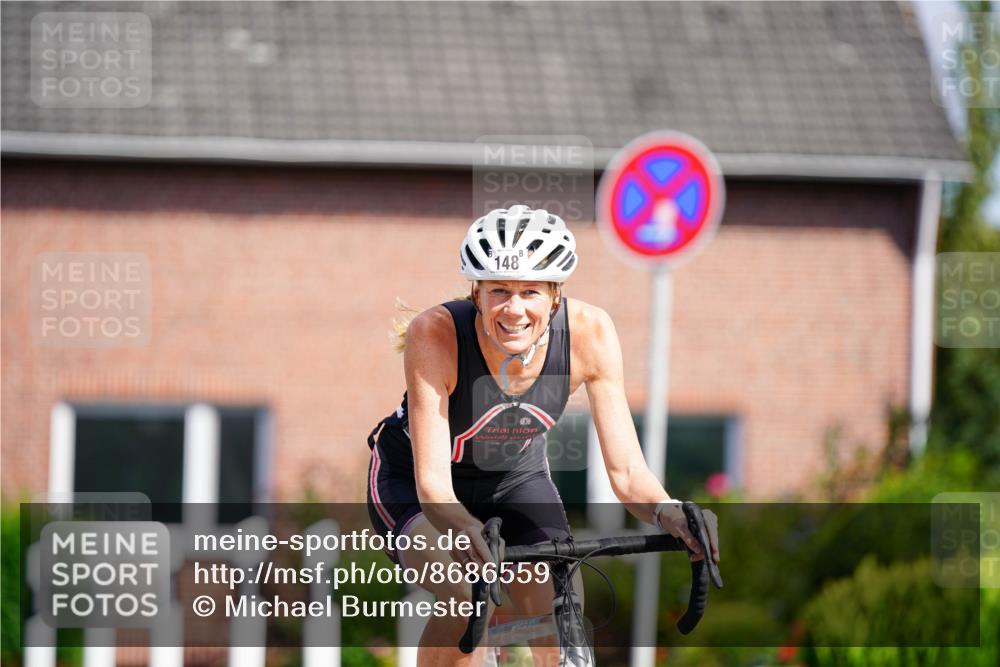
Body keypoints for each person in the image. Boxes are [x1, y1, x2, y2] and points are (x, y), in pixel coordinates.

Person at [366, 205, 720, 667]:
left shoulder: (589, 334)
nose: (514, 309)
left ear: (555, 296)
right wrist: (467, 529)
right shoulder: (436, 334)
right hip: (413, 485)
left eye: (530, 291)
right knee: (468, 593)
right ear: (477, 292)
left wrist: (667, 512)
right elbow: (434, 485)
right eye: (499, 291)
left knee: (561, 604)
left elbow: (627, 471)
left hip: (514, 477)